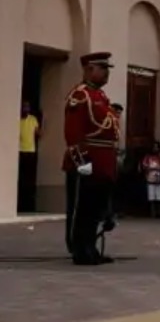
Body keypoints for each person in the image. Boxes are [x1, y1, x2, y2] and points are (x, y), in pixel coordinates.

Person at [62, 52, 121, 265]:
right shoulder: (81, 95)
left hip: (103, 162)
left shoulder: (100, 96)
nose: (107, 73)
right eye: (102, 68)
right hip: (87, 162)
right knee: (82, 208)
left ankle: (90, 248)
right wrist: (81, 163)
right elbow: (73, 133)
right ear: (89, 69)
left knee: (96, 209)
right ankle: (79, 250)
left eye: (107, 69)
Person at [18, 100, 41, 212]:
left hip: (30, 151)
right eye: (24, 107)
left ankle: (28, 203)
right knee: (20, 177)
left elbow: (38, 133)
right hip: (19, 151)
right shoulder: (17, 120)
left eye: (27, 107)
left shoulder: (33, 119)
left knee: (28, 178)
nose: (25, 109)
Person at [139, 141, 160, 217]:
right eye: (153, 147)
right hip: (150, 178)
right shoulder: (147, 157)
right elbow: (144, 166)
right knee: (151, 196)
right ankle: (152, 212)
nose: (155, 149)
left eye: (156, 147)